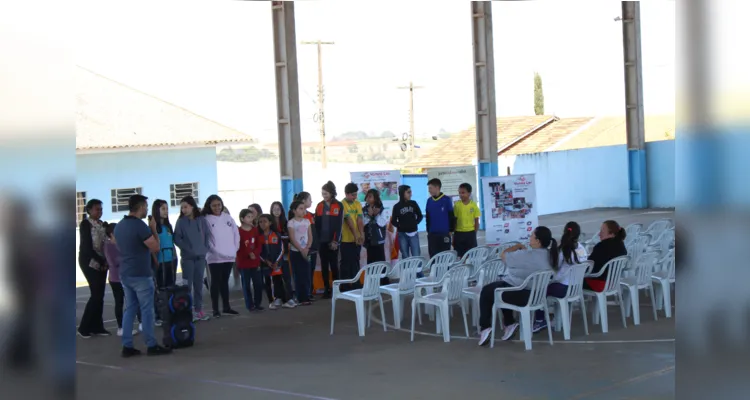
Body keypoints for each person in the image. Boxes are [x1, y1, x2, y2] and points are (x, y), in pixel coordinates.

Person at [477, 226, 559, 346]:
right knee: (504, 285)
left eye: (532, 236)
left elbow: (503, 255)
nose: (529, 237)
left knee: (487, 291)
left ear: (538, 241)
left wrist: (517, 246)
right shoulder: (550, 255)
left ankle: (485, 328)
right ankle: (509, 324)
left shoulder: (526, 255)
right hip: (538, 295)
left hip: (524, 295)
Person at [114, 194, 172, 357]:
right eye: (146, 206)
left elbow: (120, 247)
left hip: (126, 273)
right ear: (140, 207)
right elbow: (155, 247)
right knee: (147, 310)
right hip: (140, 273)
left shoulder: (119, 226)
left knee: (130, 308)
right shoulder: (140, 226)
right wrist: (153, 228)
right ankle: (151, 344)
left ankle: (127, 345)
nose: (147, 209)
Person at [531, 222, 588, 332]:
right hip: (576, 287)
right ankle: (549, 316)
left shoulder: (564, 250)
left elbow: (554, 267)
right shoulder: (581, 248)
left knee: (539, 289)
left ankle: (539, 320)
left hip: (563, 288)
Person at [202, 194, 241, 318]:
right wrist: (215, 251)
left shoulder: (228, 218)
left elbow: (236, 233)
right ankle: (215, 309)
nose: (217, 207)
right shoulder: (206, 219)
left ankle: (226, 307)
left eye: (219, 205)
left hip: (229, 255)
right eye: (214, 205)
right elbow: (206, 239)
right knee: (215, 282)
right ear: (209, 206)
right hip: (214, 257)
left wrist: (234, 249)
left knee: (224, 281)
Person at [173, 195, 211, 322]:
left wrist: (204, 249)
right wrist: (187, 248)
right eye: (182, 208)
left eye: (186, 207)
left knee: (198, 284)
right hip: (188, 258)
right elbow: (177, 238)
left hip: (200, 257)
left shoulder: (201, 220)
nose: (184, 210)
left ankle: (198, 309)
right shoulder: (181, 222)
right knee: (187, 286)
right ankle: (187, 311)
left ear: (192, 206)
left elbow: (207, 235)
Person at [77, 199, 110, 338]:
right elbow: (87, 247)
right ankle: (84, 327)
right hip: (89, 261)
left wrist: (106, 260)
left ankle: (98, 326)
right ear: (89, 210)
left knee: (100, 295)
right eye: (97, 209)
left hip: (102, 261)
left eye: (101, 209)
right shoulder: (86, 224)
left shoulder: (102, 224)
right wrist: (100, 260)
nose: (100, 212)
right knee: (95, 294)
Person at [103, 223, 141, 337]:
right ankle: (121, 327)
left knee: (133, 301)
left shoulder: (122, 243)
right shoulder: (108, 246)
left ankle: (140, 322)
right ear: (112, 234)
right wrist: (126, 258)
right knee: (119, 302)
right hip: (116, 279)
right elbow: (113, 262)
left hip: (127, 276)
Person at [314, 181, 344, 299]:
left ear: (332, 193)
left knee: (334, 265)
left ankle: (337, 289)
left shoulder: (338, 205)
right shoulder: (319, 205)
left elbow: (339, 225)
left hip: (333, 241)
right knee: (324, 266)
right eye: (322, 193)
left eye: (326, 193)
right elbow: (316, 224)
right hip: (322, 241)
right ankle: (327, 289)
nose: (324, 195)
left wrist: (336, 241)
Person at [259, 214, 296, 309]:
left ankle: (282, 298)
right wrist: (266, 261)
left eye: (265, 221)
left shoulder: (276, 235)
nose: (262, 224)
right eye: (260, 222)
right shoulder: (259, 237)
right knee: (268, 282)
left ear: (270, 223)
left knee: (279, 281)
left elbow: (282, 249)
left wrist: (276, 262)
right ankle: (271, 301)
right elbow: (258, 252)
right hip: (265, 264)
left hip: (277, 263)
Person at [150, 199, 176, 326]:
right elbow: (153, 246)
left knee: (170, 287)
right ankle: (158, 315)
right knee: (159, 289)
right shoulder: (153, 228)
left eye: (167, 208)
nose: (166, 211)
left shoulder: (168, 226)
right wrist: (156, 262)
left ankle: (170, 311)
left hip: (170, 261)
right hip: (159, 262)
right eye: (163, 209)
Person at [584, 220, 628, 292]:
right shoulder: (621, 245)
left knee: (572, 282)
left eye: (602, 232)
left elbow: (590, 267)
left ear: (612, 234)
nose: (599, 234)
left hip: (600, 284)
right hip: (614, 282)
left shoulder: (601, 247)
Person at [236, 208, 264, 312]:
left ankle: (258, 303)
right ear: (242, 219)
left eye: (252, 216)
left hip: (255, 261)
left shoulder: (255, 230)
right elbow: (238, 247)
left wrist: (255, 253)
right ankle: (250, 304)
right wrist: (248, 254)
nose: (251, 219)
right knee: (246, 284)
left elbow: (259, 245)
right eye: (248, 217)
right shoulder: (238, 231)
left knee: (258, 283)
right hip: (244, 262)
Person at [293, 192, 319, 300]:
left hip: (312, 247)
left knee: (310, 271)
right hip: (302, 248)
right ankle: (302, 294)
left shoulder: (310, 215)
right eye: (309, 199)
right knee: (303, 272)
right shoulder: (296, 218)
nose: (311, 202)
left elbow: (313, 232)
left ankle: (309, 292)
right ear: (303, 201)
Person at [288, 200, 313, 306]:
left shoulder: (307, 222)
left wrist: (307, 247)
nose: (303, 211)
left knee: (307, 273)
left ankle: (307, 295)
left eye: (304, 208)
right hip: (296, 252)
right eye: (300, 209)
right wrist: (301, 249)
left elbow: (310, 236)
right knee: (298, 274)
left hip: (306, 251)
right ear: (294, 210)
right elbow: (292, 238)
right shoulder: (291, 223)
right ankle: (300, 296)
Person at [341, 183, 365, 292]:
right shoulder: (342, 204)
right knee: (346, 263)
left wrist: (361, 234)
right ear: (346, 194)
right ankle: (345, 286)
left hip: (356, 239)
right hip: (346, 239)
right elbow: (349, 221)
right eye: (352, 195)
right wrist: (356, 235)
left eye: (356, 194)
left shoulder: (358, 204)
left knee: (356, 261)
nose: (355, 197)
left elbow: (359, 219)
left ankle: (356, 284)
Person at [363, 188, 389, 284]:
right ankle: (372, 282)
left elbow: (382, 223)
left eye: (370, 197)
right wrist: (369, 215)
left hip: (379, 239)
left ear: (375, 198)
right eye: (367, 197)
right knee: (371, 261)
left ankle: (383, 281)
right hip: (369, 239)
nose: (368, 199)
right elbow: (363, 223)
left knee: (381, 260)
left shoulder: (381, 208)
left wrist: (375, 215)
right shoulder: (364, 209)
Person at [249, 203, 273, 304]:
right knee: (258, 278)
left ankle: (273, 298)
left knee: (270, 277)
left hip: (266, 255)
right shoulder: (248, 225)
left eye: (252, 211)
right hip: (255, 255)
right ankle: (258, 301)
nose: (250, 213)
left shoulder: (264, 225)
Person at [390, 184, 423, 259]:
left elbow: (420, 216)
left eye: (410, 192)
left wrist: (415, 223)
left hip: (413, 233)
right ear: (402, 193)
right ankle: (407, 271)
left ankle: (418, 271)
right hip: (402, 234)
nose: (411, 194)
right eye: (408, 192)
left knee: (416, 254)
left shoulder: (413, 203)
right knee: (405, 255)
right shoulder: (397, 206)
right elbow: (393, 220)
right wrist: (400, 226)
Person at [270, 201, 294, 302]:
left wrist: (283, 238)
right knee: (276, 277)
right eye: (274, 209)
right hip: (274, 254)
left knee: (287, 276)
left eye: (278, 209)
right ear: (271, 210)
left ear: (282, 210)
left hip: (285, 253)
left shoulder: (286, 223)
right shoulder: (269, 223)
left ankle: (289, 298)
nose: (276, 211)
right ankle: (278, 297)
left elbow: (289, 237)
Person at [425, 178, 455, 257]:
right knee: (433, 257)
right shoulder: (429, 201)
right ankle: (434, 269)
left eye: (430, 188)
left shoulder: (446, 200)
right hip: (432, 235)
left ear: (437, 187)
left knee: (445, 257)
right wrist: (428, 231)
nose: (429, 190)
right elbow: (428, 217)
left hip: (444, 234)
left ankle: (445, 270)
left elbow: (451, 216)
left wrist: (451, 230)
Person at [453, 183, 481, 258]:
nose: (461, 195)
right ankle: (463, 268)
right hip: (459, 233)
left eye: (463, 192)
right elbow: (455, 220)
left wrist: (474, 233)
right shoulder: (457, 205)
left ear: (469, 193)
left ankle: (470, 268)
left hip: (470, 233)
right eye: (459, 193)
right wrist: (453, 234)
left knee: (471, 255)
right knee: (461, 255)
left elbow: (476, 220)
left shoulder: (473, 205)